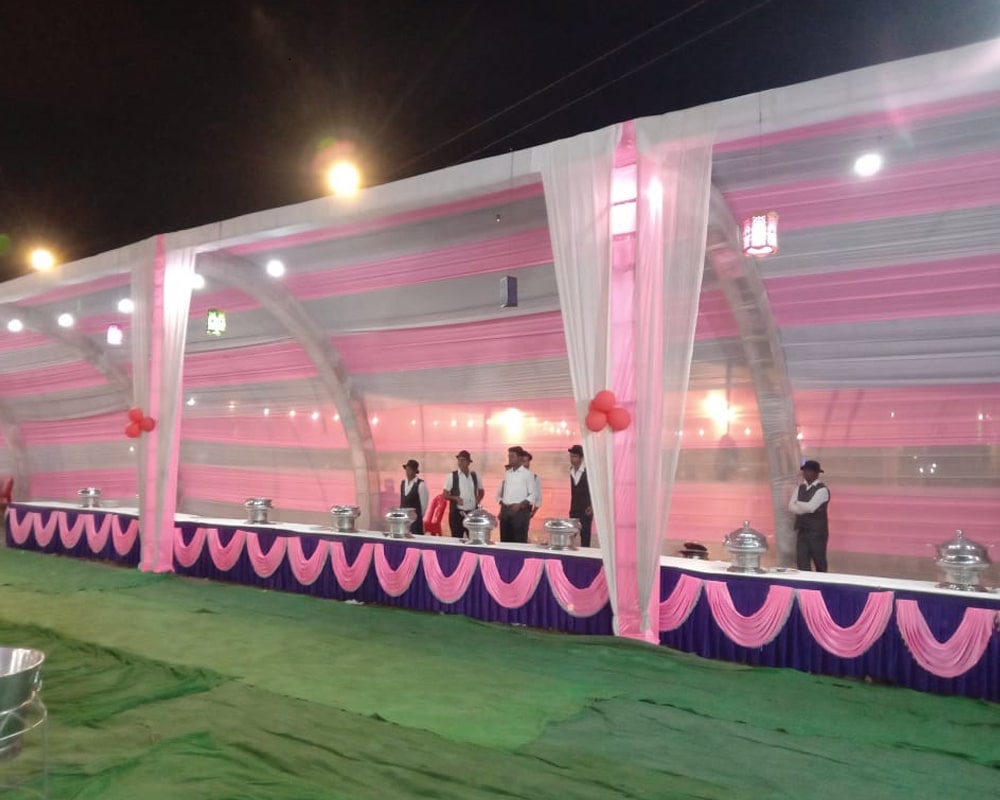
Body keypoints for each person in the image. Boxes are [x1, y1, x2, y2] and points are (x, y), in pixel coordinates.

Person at [788, 459, 831, 572]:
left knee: (819, 561)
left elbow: (811, 508)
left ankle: (821, 582)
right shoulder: (800, 487)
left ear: (816, 474)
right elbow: (791, 506)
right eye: (805, 471)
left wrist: (798, 503)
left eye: (810, 471)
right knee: (802, 561)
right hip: (803, 530)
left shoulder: (822, 490)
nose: (806, 473)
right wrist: (803, 506)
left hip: (817, 532)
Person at [496, 446, 536, 543]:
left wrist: (520, 505)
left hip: (520, 513)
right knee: (505, 542)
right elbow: (503, 492)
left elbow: (533, 495)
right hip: (506, 511)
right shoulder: (507, 474)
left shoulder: (528, 474)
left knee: (519, 542)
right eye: (509, 456)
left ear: (520, 458)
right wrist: (502, 504)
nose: (510, 459)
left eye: (512, 456)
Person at [442, 450, 484, 538]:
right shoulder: (452, 476)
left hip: (472, 514)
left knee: (473, 538)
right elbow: (445, 494)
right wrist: (455, 498)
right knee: (456, 539)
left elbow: (481, 491)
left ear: (468, 462)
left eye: (463, 460)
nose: (460, 462)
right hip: (457, 514)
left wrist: (478, 499)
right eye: (459, 460)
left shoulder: (475, 475)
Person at [567, 444, 593, 547]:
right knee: (570, 534)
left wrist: (591, 505)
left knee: (585, 535)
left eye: (574, 456)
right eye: (571, 456)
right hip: (574, 508)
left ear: (581, 457)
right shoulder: (571, 470)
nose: (572, 459)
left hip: (586, 508)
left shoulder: (588, 471)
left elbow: (594, 489)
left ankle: (585, 554)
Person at [400, 459, 429, 535]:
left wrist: (417, 518)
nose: (408, 472)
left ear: (415, 471)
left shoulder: (420, 485)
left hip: (415, 523)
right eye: (407, 469)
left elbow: (423, 506)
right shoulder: (403, 483)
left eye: (410, 470)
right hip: (403, 521)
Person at [520, 450, 542, 519]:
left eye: (527, 461)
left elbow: (538, 497)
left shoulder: (534, 478)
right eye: (523, 461)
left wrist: (533, 512)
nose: (525, 464)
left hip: (526, 510)